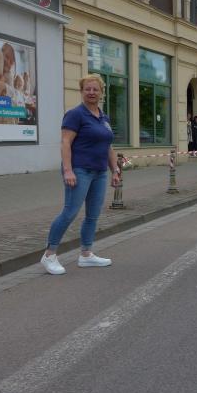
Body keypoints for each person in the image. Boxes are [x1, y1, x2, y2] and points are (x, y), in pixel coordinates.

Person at [40, 74, 121, 275]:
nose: (91, 92)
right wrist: (68, 170)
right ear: (82, 91)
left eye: (95, 89)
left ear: (101, 92)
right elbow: (65, 142)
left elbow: (108, 146)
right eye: (87, 89)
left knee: (93, 215)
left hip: (100, 172)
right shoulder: (75, 114)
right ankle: (49, 255)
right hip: (79, 170)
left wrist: (115, 170)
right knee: (70, 212)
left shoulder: (104, 117)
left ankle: (86, 254)